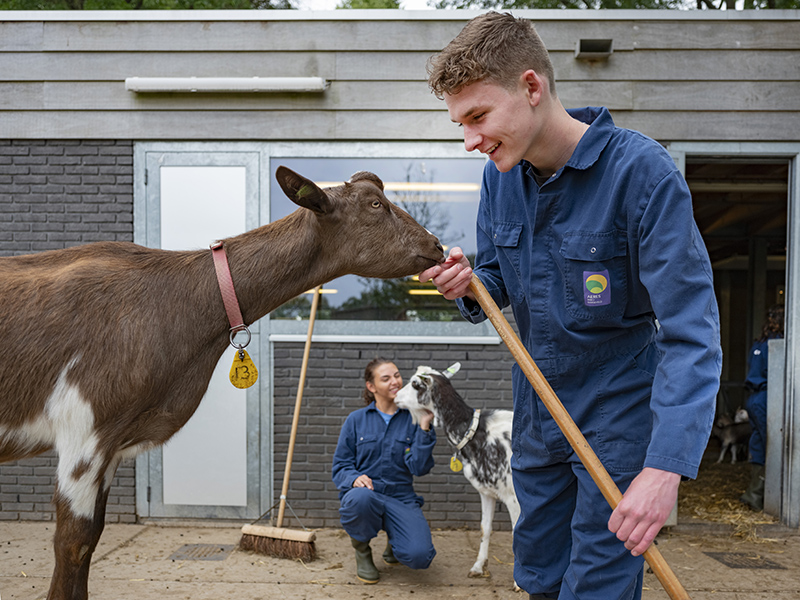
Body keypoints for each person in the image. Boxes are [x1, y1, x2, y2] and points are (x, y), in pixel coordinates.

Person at [419, 12, 722, 600]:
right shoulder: (500, 178)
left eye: (478, 117)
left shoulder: (642, 175)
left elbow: (693, 334)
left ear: (532, 88)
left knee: (597, 590)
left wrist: (665, 468)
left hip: (617, 428)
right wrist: (470, 282)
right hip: (539, 422)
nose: (470, 140)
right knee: (538, 580)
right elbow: (500, 277)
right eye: (460, 123)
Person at [331, 357, 436, 584]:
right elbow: (340, 466)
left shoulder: (414, 418)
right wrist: (354, 478)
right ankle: (362, 552)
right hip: (367, 494)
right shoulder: (356, 420)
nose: (395, 382)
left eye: (397, 376)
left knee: (420, 557)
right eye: (386, 378)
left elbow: (420, 468)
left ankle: (395, 542)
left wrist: (425, 425)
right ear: (371, 386)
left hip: (401, 496)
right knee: (359, 498)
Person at [740, 303, 784, 511]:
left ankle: (752, 494)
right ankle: (765, 497)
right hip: (768, 397)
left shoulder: (759, 343)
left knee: (758, 443)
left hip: (753, 397)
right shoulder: (778, 344)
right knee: (773, 447)